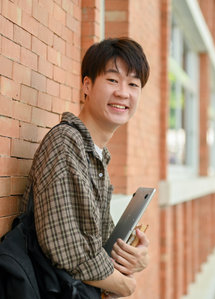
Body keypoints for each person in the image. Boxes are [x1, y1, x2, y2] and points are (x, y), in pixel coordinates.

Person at [22, 37, 151, 298]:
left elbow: (100, 248)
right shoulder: (65, 143)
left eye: (133, 84)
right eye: (113, 80)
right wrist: (125, 285)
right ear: (87, 85)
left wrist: (133, 259)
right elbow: (67, 249)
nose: (123, 92)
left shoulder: (96, 155)